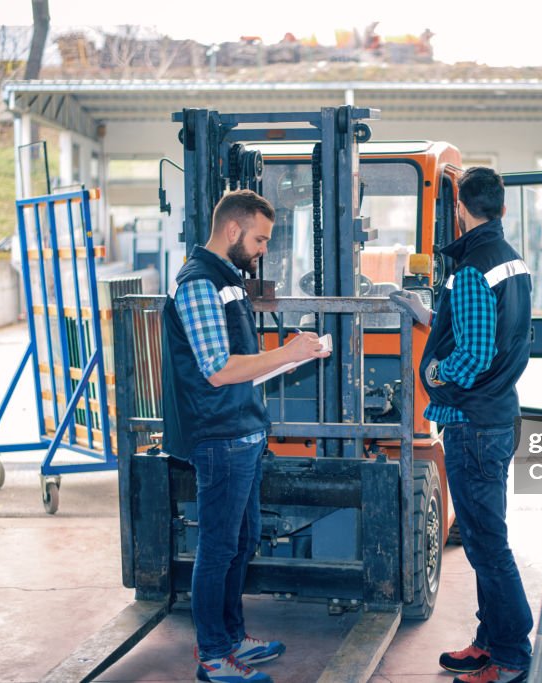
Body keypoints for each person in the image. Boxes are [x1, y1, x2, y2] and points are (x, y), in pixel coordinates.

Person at [162, 189, 330, 683]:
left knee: (242, 540)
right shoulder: (197, 285)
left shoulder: (228, 279)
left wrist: (294, 355)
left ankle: (233, 639)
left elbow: (244, 367)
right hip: (219, 435)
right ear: (233, 230)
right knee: (218, 547)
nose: (262, 248)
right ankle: (213, 655)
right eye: (258, 238)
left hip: (244, 430)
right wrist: (288, 351)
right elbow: (217, 370)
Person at [391, 167, 533, 683]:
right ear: (499, 206)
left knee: (487, 545)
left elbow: (472, 355)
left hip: (474, 424)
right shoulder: (511, 261)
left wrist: (433, 369)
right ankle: (489, 641)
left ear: (459, 205)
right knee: (479, 539)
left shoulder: (472, 268)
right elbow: (492, 332)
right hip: (497, 413)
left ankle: (511, 654)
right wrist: (431, 315)